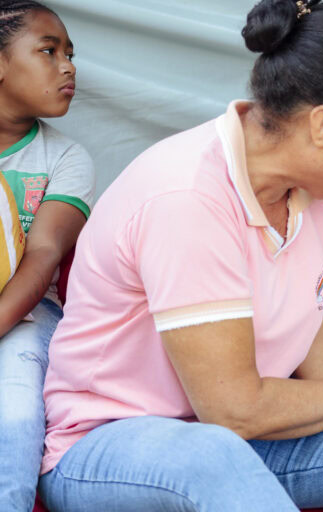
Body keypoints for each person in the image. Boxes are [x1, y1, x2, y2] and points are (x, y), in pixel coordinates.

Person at [38, 2, 323, 511]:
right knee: (214, 454)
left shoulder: (318, 198)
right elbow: (233, 410)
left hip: (242, 440)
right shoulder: (187, 198)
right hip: (108, 446)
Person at [0, 2, 95, 510]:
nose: (68, 66)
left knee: (15, 407)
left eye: (70, 54)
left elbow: (43, 257)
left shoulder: (65, 159)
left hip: (28, 316)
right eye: (48, 50)